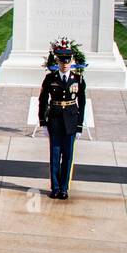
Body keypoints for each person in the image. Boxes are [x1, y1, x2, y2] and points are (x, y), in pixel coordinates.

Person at [38, 40, 86, 200]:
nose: (64, 64)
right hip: (55, 122)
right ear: (57, 61)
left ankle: (64, 188)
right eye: (61, 61)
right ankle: (55, 188)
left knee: (68, 157)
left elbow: (82, 103)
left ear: (71, 61)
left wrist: (79, 126)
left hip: (71, 123)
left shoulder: (78, 79)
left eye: (67, 61)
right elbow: (43, 101)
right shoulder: (49, 78)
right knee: (54, 156)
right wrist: (43, 122)